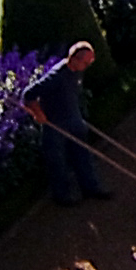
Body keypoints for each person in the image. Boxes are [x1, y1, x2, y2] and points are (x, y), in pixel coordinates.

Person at [27, 41, 110, 205]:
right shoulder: (56, 77)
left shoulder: (77, 72)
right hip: (56, 124)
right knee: (57, 161)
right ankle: (62, 197)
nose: (87, 66)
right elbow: (28, 94)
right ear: (75, 59)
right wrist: (38, 113)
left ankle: (91, 188)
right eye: (86, 62)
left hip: (73, 119)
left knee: (83, 155)